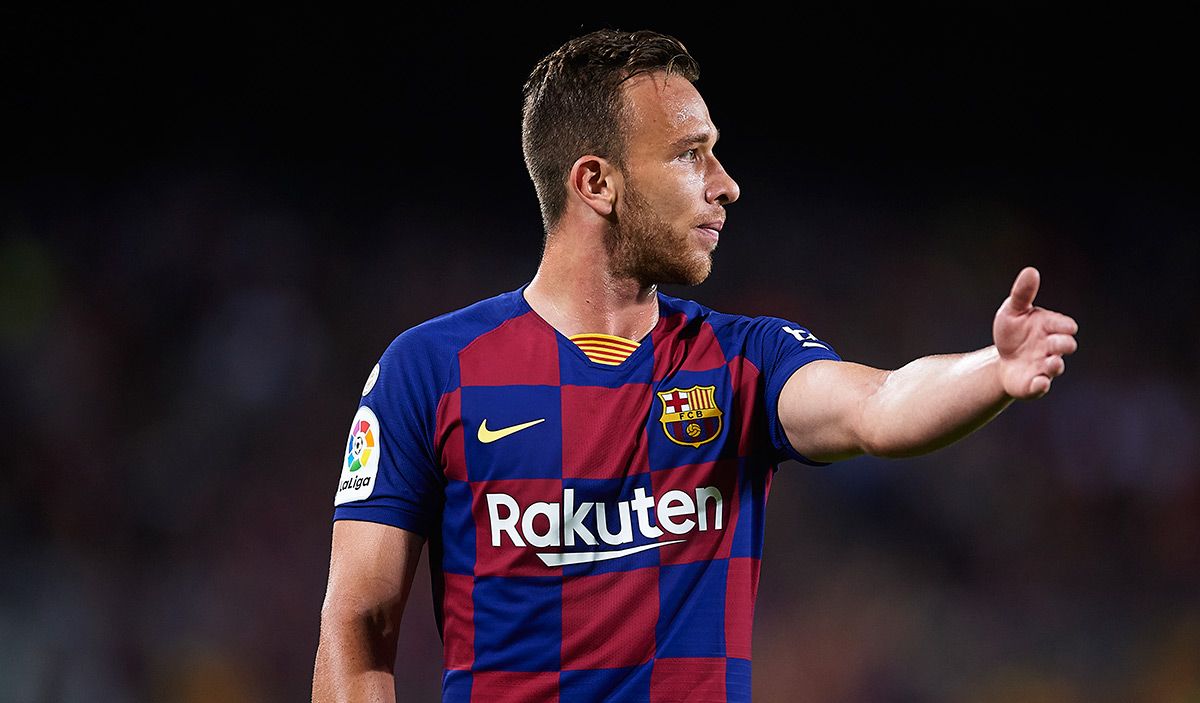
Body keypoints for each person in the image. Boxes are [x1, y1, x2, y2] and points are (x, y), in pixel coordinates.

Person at [311, 28, 1078, 703]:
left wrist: (991, 368)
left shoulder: (743, 359)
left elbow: (876, 407)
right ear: (596, 182)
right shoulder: (430, 369)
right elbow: (357, 623)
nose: (725, 184)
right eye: (690, 155)